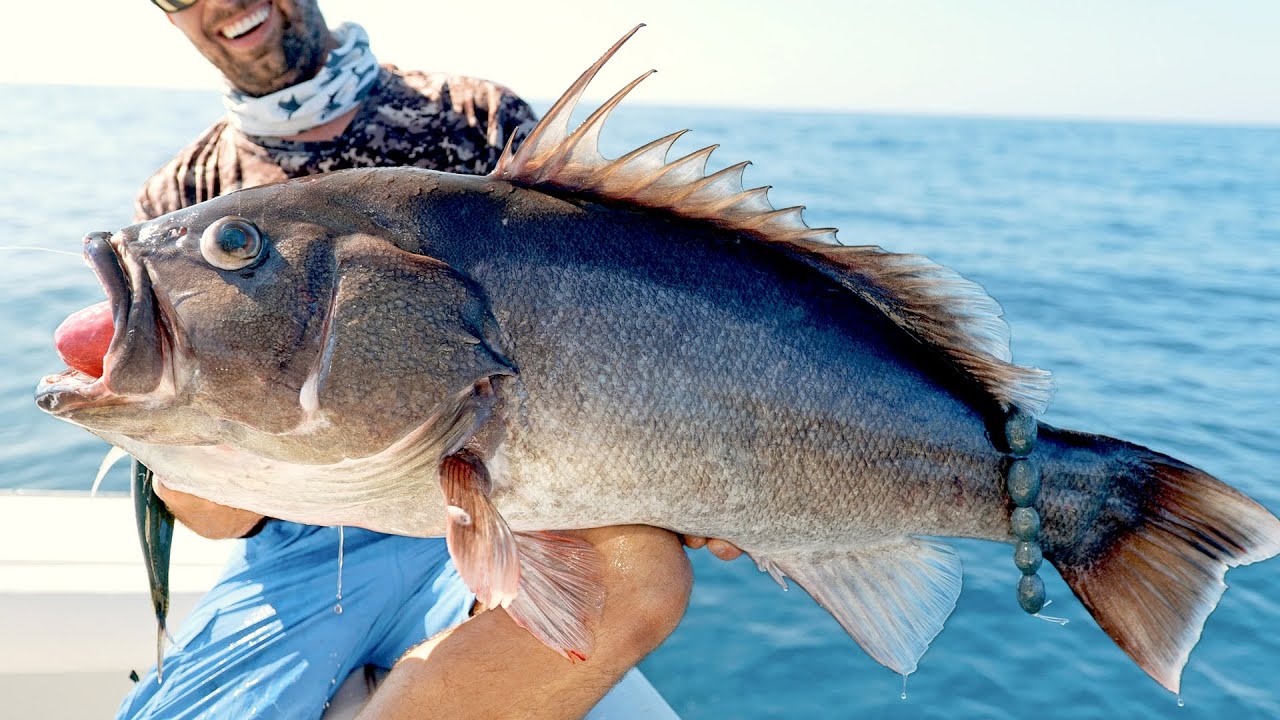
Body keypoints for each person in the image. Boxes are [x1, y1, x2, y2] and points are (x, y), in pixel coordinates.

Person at [120, 1, 741, 718]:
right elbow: (218, 519)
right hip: (299, 542)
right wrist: (185, 462)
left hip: (503, 506)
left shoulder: (472, 117)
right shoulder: (181, 198)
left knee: (642, 573)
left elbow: (610, 323)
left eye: (239, 248)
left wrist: (688, 459)